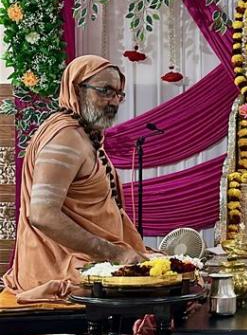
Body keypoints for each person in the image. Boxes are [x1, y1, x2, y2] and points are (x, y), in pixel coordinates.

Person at [4, 55, 146, 301]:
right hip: (59, 268)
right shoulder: (65, 137)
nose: (114, 101)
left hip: (88, 260)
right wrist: (116, 254)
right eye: (105, 91)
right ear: (77, 89)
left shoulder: (84, 134)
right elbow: (42, 215)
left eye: (118, 94)